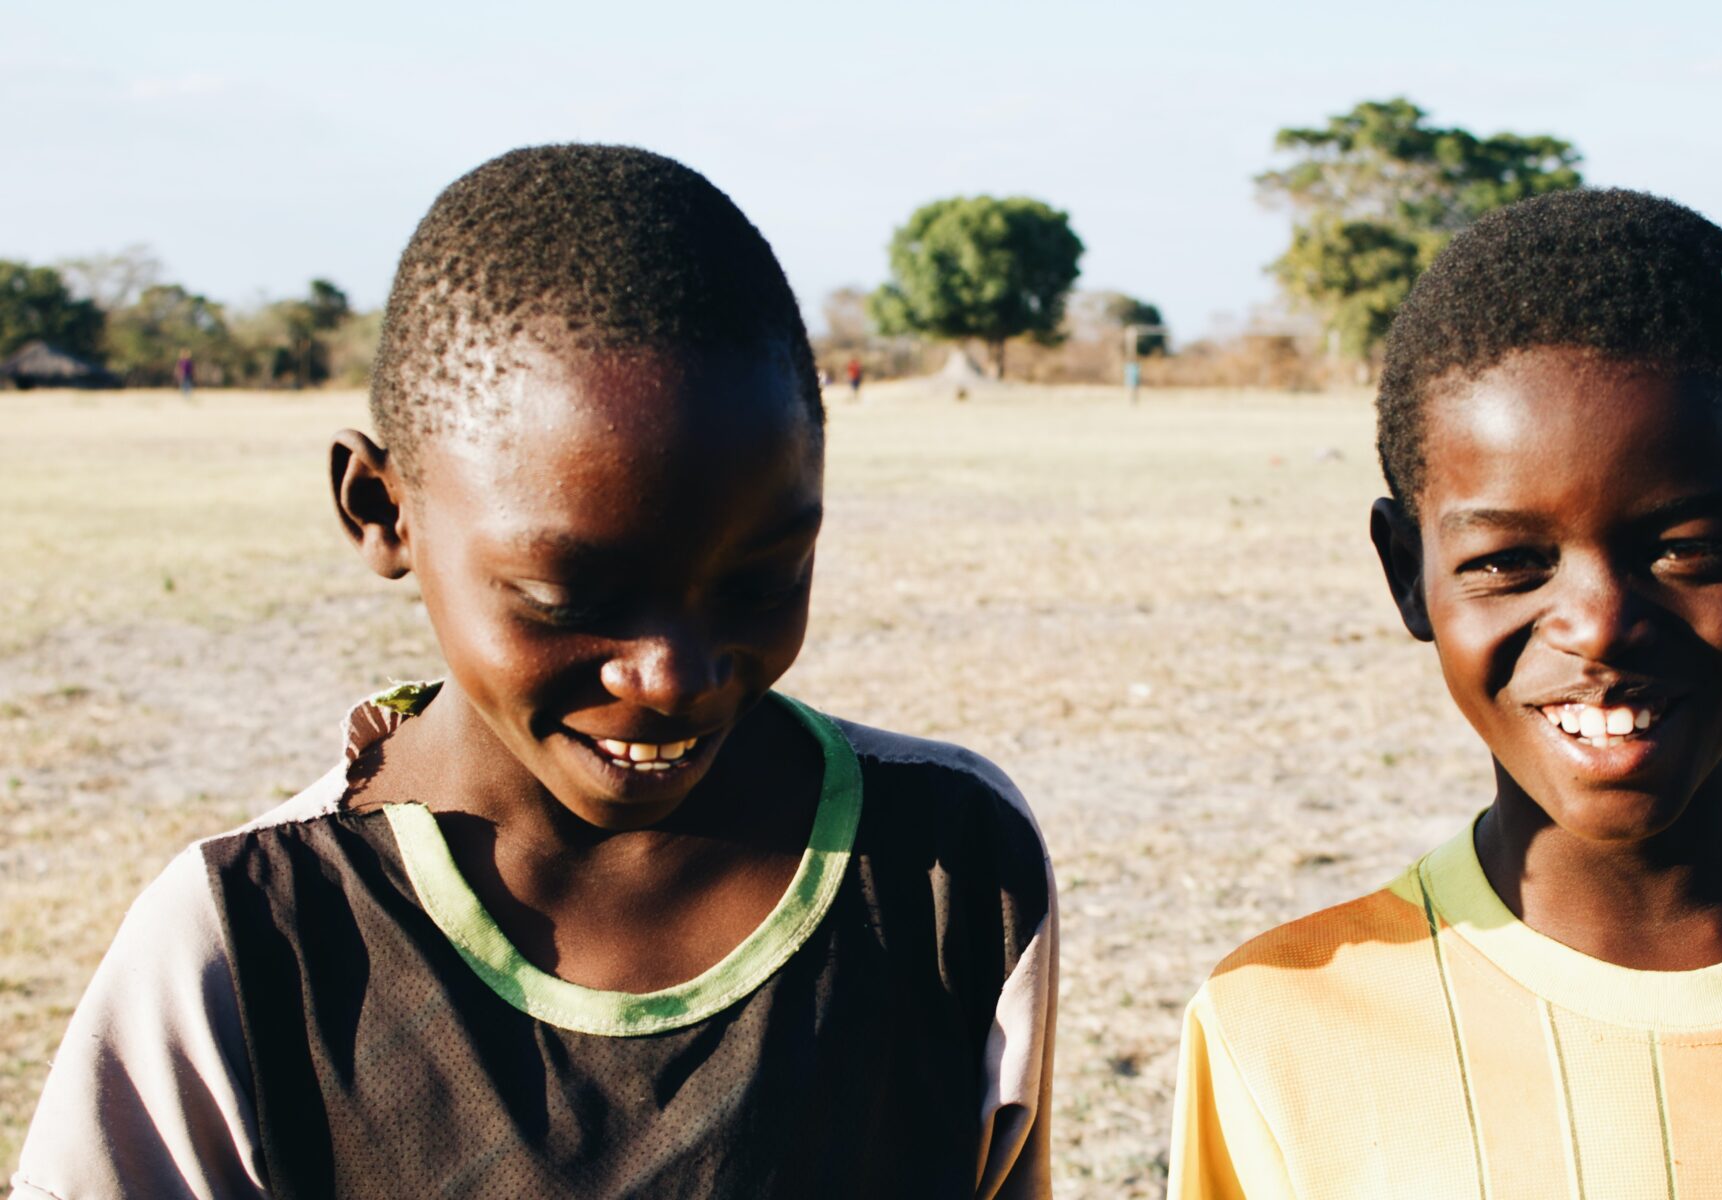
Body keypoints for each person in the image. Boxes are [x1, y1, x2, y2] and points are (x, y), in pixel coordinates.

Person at [10, 146, 1056, 1199]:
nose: (673, 678)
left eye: (762, 580)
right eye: (570, 599)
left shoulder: (952, 869)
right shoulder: (246, 942)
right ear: (380, 509)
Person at [1168, 189, 1722, 1196]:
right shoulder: (1281, 1031)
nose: (1599, 625)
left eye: (1683, 548)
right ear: (1405, 573)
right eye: (1507, 560)